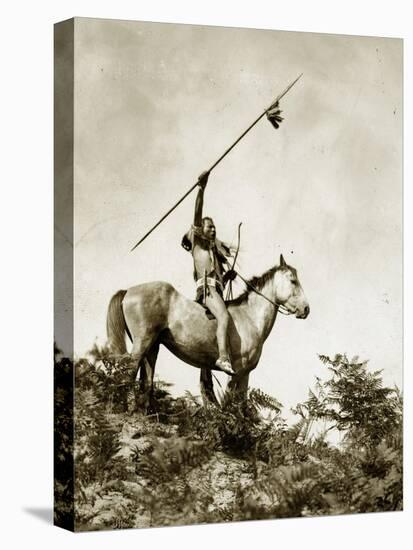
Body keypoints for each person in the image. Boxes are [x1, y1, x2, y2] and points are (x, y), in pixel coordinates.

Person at [181, 171, 237, 375]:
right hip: (207, 290)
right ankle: (223, 358)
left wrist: (227, 277)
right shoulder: (198, 245)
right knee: (224, 317)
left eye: (214, 228)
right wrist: (201, 189)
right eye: (209, 227)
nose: (213, 230)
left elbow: (216, 275)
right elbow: (197, 212)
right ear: (201, 229)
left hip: (216, 289)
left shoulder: (213, 251)